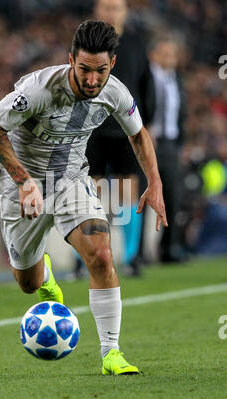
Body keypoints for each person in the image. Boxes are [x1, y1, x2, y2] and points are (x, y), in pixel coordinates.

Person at [0, 20, 167, 376]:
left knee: (101, 252)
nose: (92, 80)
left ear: (111, 64)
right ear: (71, 61)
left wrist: (154, 182)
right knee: (28, 284)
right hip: (22, 184)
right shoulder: (38, 90)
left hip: (70, 179)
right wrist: (23, 181)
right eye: (84, 69)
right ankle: (44, 274)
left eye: (100, 70)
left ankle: (111, 353)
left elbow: (139, 134)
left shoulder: (116, 92)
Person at [85, 0, 156, 277]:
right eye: (106, 7)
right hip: (93, 129)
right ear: (97, 11)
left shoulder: (137, 43)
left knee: (127, 192)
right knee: (92, 193)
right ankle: (86, 257)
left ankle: (130, 257)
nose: (111, 12)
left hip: (127, 129)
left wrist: (145, 124)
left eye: (116, 8)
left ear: (125, 13)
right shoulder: (86, 41)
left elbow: (146, 83)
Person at [149, 35, 186, 262]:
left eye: (172, 54)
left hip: (170, 144)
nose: (170, 58)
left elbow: (181, 113)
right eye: (165, 53)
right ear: (154, 54)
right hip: (149, 142)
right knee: (145, 195)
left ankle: (168, 249)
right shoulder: (147, 77)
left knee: (173, 196)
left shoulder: (176, 80)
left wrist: (181, 142)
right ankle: (139, 253)